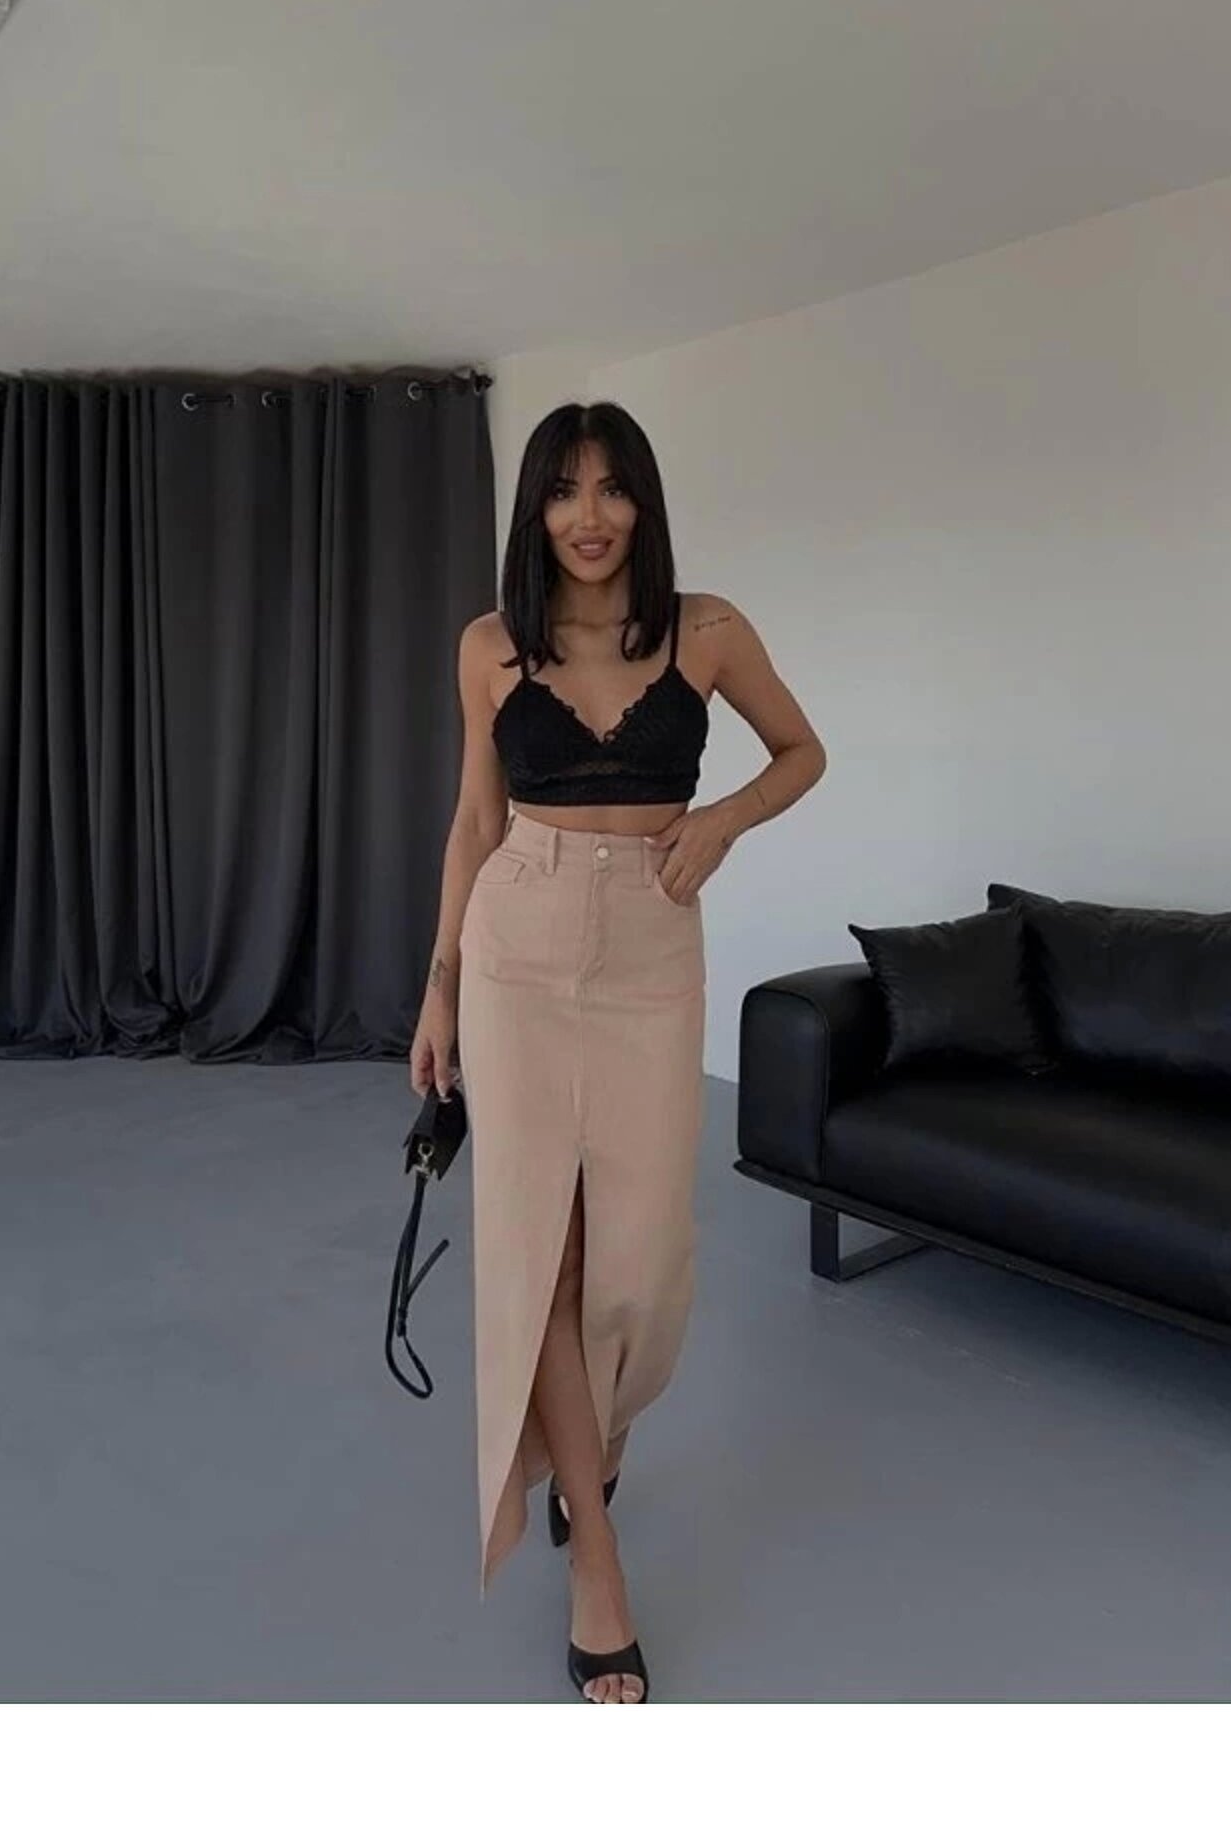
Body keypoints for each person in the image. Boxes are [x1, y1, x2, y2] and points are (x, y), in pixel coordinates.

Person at [410, 400, 826, 1701]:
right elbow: (475, 819)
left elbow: (803, 751)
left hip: (652, 950)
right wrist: (439, 986)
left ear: (644, 502)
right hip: (518, 946)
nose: (588, 517)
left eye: (611, 489)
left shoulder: (708, 629)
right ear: (534, 511)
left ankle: (597, 1433)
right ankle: (596, 1552)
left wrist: (725, 820)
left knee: (644, 1261)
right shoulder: (492, 646)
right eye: (562, 491)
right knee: (545, 1248)